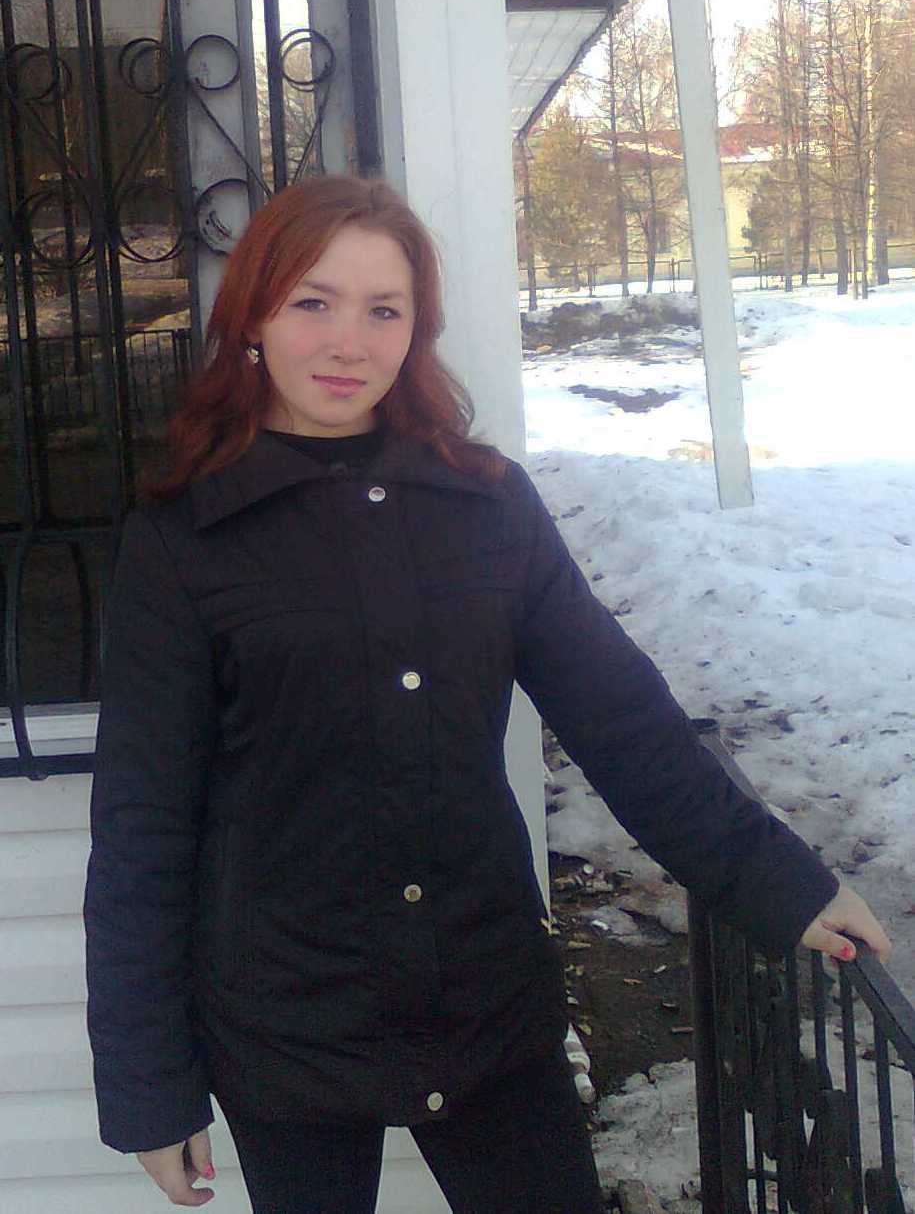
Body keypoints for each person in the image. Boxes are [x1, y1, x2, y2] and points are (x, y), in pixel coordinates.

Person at [84, 176, 890, 1214]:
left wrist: (780, 882)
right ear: (253, 316)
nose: (348, 341)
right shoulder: (184, 540)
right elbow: (143, 824)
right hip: (286, 1014)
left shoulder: (487, 505)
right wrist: (149, 1086)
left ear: (416, 329)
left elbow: (622, 719)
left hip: (484, 991)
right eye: (313, 302)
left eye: (384, 310)